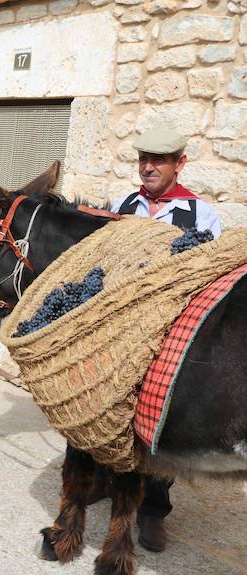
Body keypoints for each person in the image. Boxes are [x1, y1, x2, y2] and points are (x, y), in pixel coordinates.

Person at [99, 126, 223, 553]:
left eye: (159, 160)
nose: (148, 167)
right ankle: (109, 482)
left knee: (157, 422)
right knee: (111, 413)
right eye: (143, 159)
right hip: (119, 330)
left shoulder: (200, 215)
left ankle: (153, 509)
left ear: (179, 164)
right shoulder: (125, 206)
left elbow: (207, 280)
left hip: (167, 337)